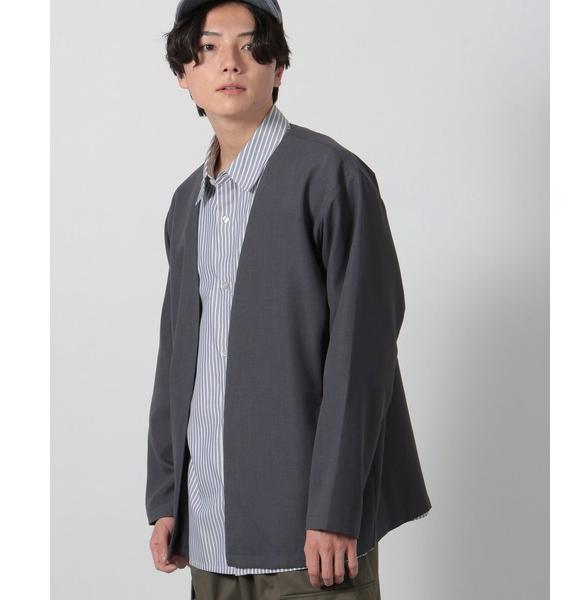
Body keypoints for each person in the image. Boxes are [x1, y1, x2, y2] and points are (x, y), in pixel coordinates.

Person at [145, 1, 432, 598]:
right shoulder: (186, 204)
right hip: (208, 531)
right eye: (208, 47)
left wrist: (335, 507)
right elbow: (177, 358)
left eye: (251, 46)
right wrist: (167, 497)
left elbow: (364, 354)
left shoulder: (331, 177)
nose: (230, 63)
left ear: (277, 68)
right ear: (184, 73)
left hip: (311, 537)